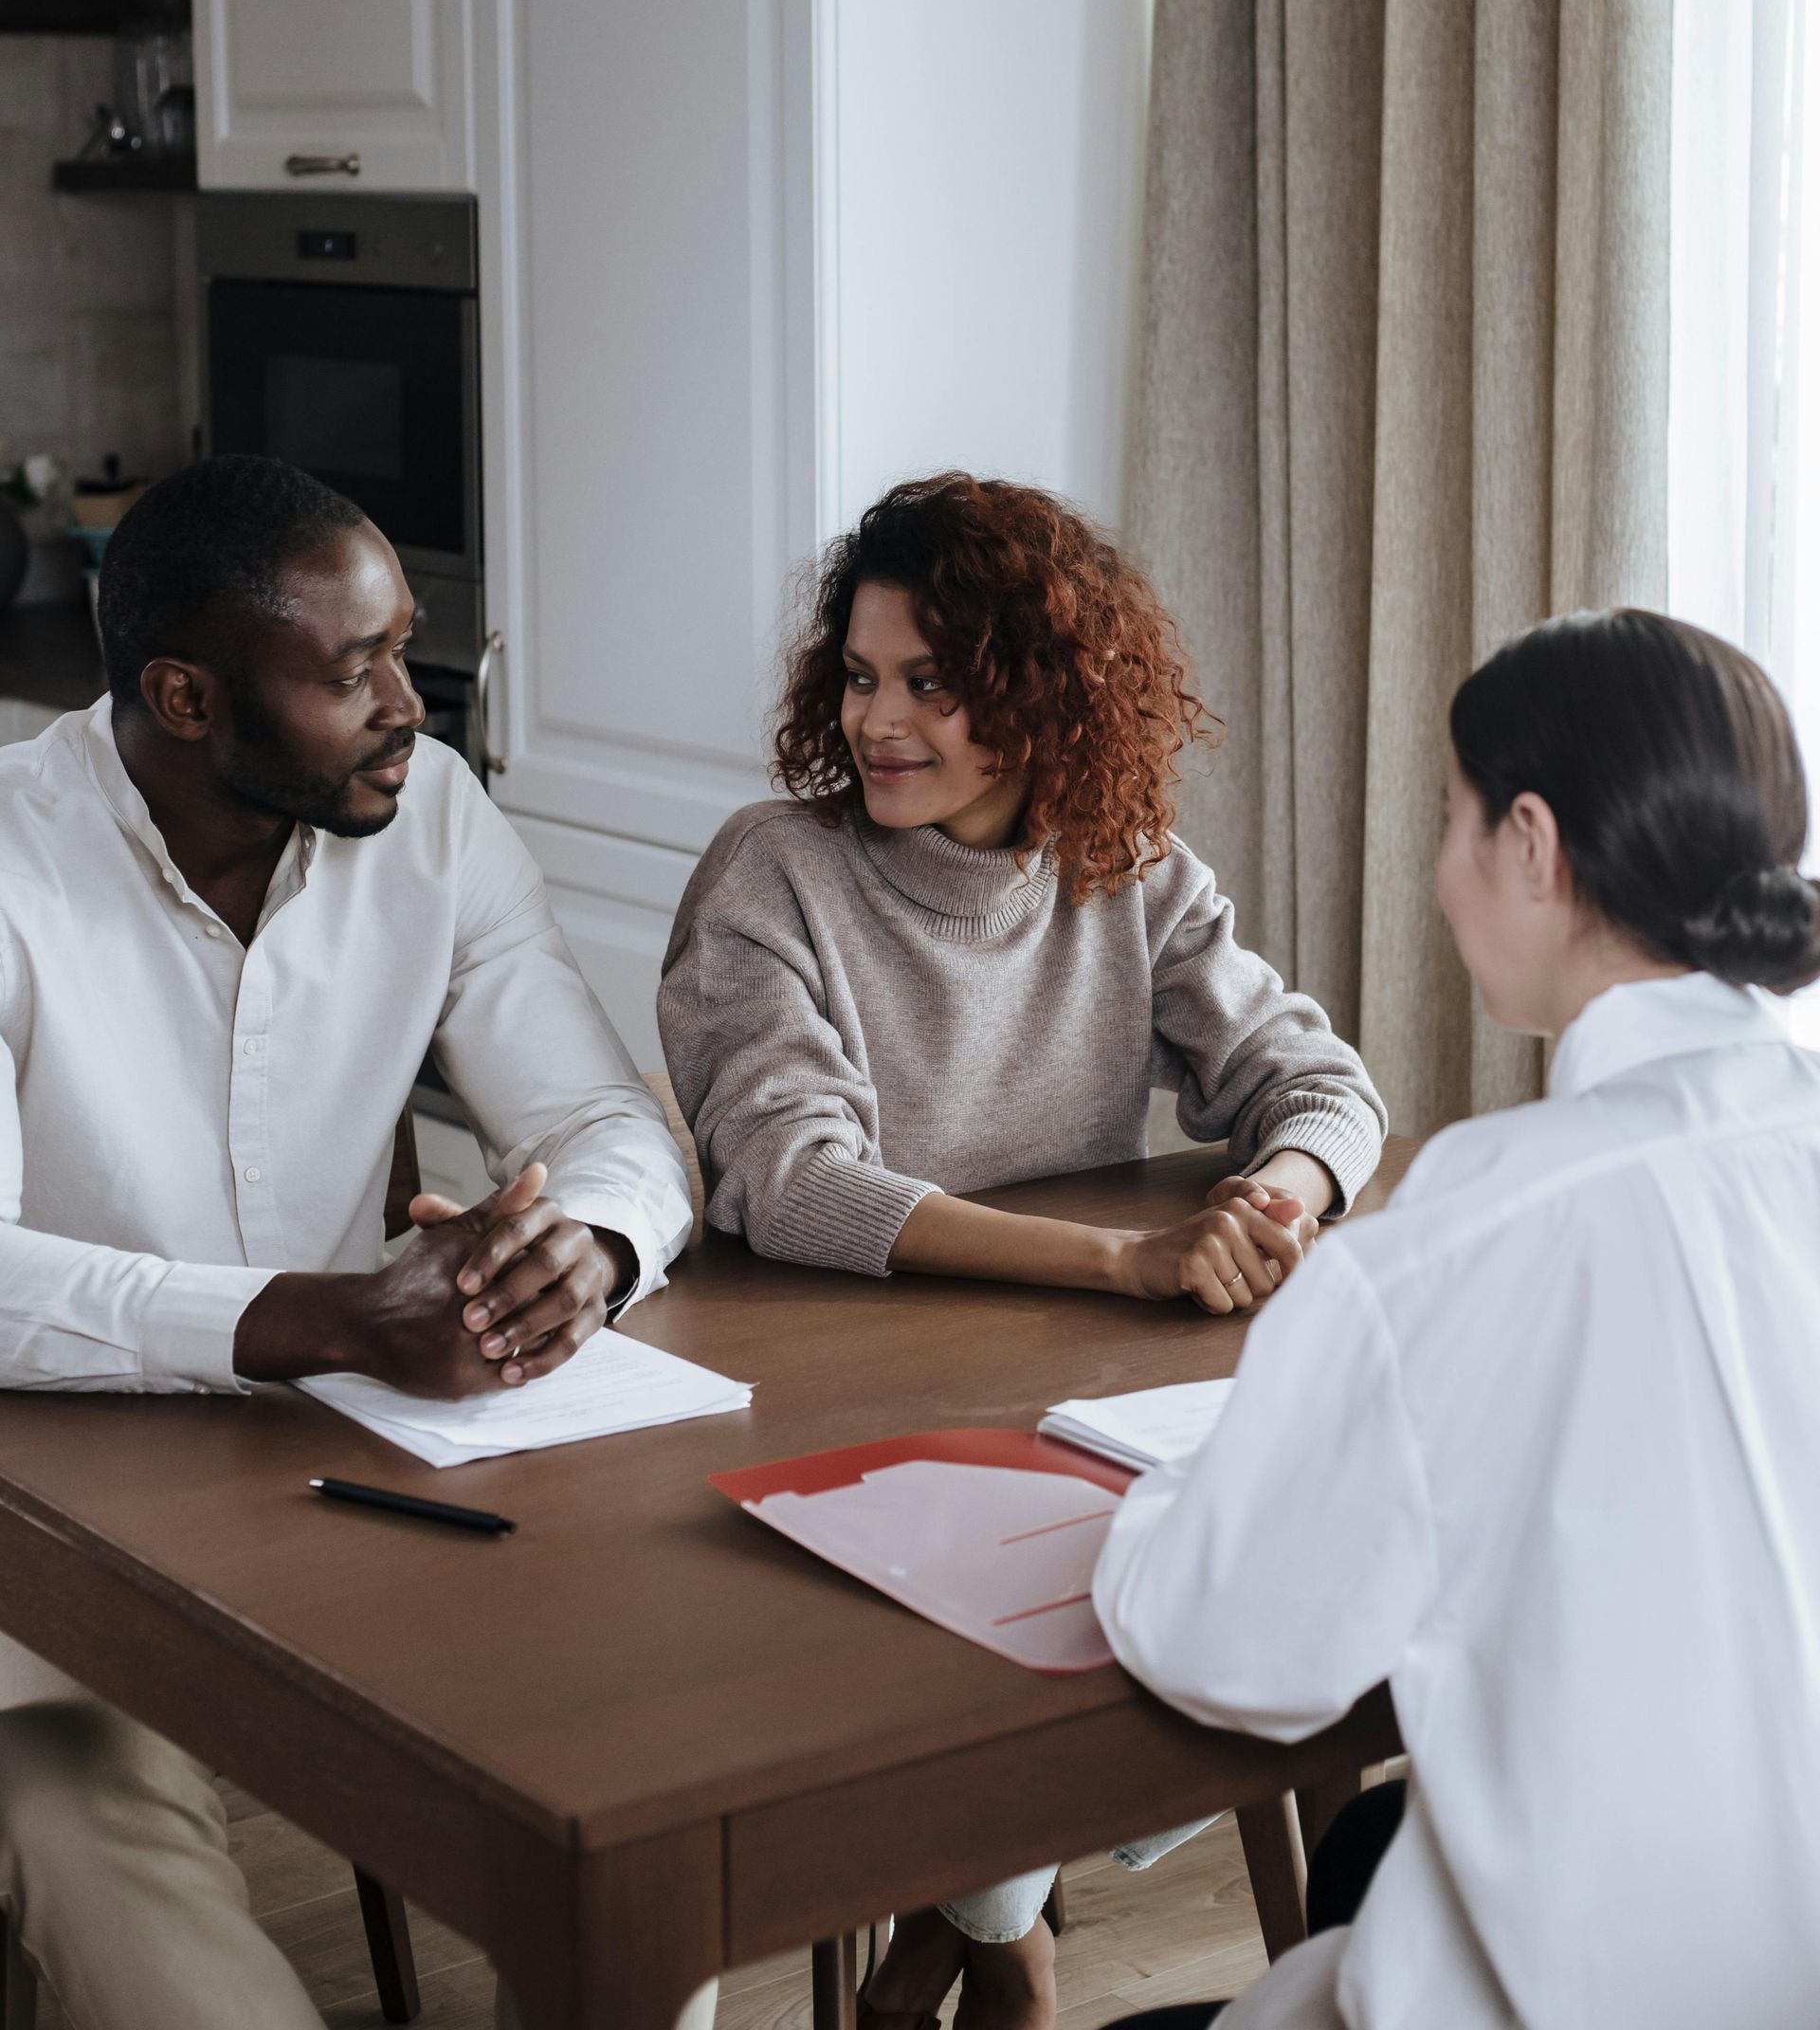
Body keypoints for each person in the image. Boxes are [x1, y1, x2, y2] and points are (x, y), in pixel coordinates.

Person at [658, 472, 1387, 2030]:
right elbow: (792, 1183)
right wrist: (1123, 1268)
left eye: (933, 681)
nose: (879, 722)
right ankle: (1002, 1929)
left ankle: (982, 1910)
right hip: (825, 1408)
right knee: (1074, 1601)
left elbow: (1323, 1087)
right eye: (860, 678)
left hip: (1065, 1396)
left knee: (1294, 1571)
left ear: (1038, 693)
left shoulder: (1129, 874)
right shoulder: (773, 872)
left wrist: (1278, 1203)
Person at [0, 455, 694, 2030]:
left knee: (649, 1758)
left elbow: (609, 1121)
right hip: (34, 1510)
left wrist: (589, 1246)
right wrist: (334, 1319)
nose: (411, 707)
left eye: (405, 649)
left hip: (351, 1476)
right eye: (354, 670)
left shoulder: (434, 823)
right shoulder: (8, 858)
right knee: (78, 1809)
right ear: (185, 696)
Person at [1094, 607, 1820, 2030]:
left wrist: (1179, 1486)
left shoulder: (1469, 1227)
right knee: (1374, 1851)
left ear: (1533, 845)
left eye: (1450, 819)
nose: (1434, 875)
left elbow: (1226, 1643)